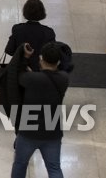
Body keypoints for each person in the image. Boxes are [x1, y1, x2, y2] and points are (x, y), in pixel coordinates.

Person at [7, 42, 69, 178]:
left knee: (20, 164)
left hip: (28, 131)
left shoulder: (31, 79)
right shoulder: (64, 79)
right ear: (58, 61)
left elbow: (18, 74)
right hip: (53, 131)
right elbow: (57, 73)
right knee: (54, 168)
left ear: (41, 58)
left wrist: (25, 57)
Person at [6, 0, 57, 72]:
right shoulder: (48, 32)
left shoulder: (17, 29)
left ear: (25, 12)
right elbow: (52, 55)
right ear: (42, 12)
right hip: (39, 72)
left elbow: (9, 51)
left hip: (19, 70)